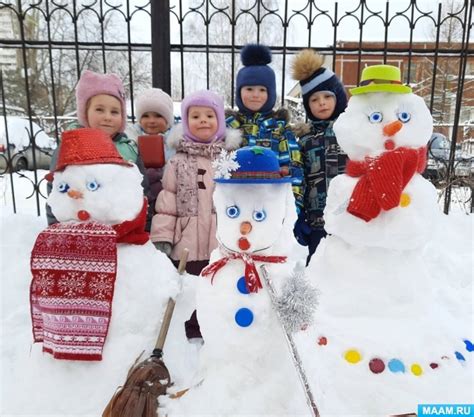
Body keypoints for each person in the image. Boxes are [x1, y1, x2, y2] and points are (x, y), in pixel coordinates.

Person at [150, 90, 241, 340]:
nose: (203, 120)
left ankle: (217, 330)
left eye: (209, 115)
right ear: (186, 122)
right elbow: (167, 203)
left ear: (220, 121)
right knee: (190, 291)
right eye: (196, 116)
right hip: (186, 242)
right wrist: (163, 238)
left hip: (221, 242)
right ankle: (189, 335)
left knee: (219, 286)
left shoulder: (230, 160)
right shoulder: (178, 162)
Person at [45, 70, 152, 231]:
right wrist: (57, 226)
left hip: (123, 230)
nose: (108, 117)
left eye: (114, 112)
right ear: (85, 112)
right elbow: (56, 188)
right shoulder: (71, 146)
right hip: (79, 229)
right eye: (99, 110)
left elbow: (143, 190)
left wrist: (145, 225)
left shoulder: (129, 149)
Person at [225, 43, 304, 211]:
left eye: (262, 90)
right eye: (249, 89)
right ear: (239, 92)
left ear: (271, 93)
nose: (255, 94)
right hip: (235, 206)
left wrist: (293, 209)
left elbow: (293, 166)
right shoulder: (230, 126)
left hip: (271, 206)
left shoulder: (279, 129)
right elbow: (218, 165)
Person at [291, 49, 348, 264]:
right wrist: (299, 217)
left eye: (327, 96)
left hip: (350, 219)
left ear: (338, 98)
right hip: (317, 222)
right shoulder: (305, 140)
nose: (321, 103)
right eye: (314, 99)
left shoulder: (350, 132)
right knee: (318, 270)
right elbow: (300, 179)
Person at [128, 88, 175, 214]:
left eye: (158, 115)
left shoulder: (176, 141)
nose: (152, 121)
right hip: (140, 196)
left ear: (168, 119)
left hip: (169, 196)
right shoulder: (130, 141)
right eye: (145, 116)